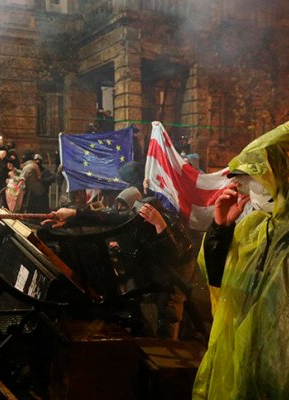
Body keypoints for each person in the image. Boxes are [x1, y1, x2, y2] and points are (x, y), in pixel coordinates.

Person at [193, 121, 289, 399]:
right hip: (248, 356)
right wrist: (220, 228)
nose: (243, 190)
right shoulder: (256, 228)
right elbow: (220, 281)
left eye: (252, 182)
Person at [43, 186, 194, 339]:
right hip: (153, 264)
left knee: (169, 308)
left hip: (175, 270)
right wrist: (73, 215)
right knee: (147, 301)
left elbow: (176, 256)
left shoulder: (170, 223)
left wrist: (161, 226)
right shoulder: (137, 217)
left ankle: (171, 346)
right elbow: (107, 218)